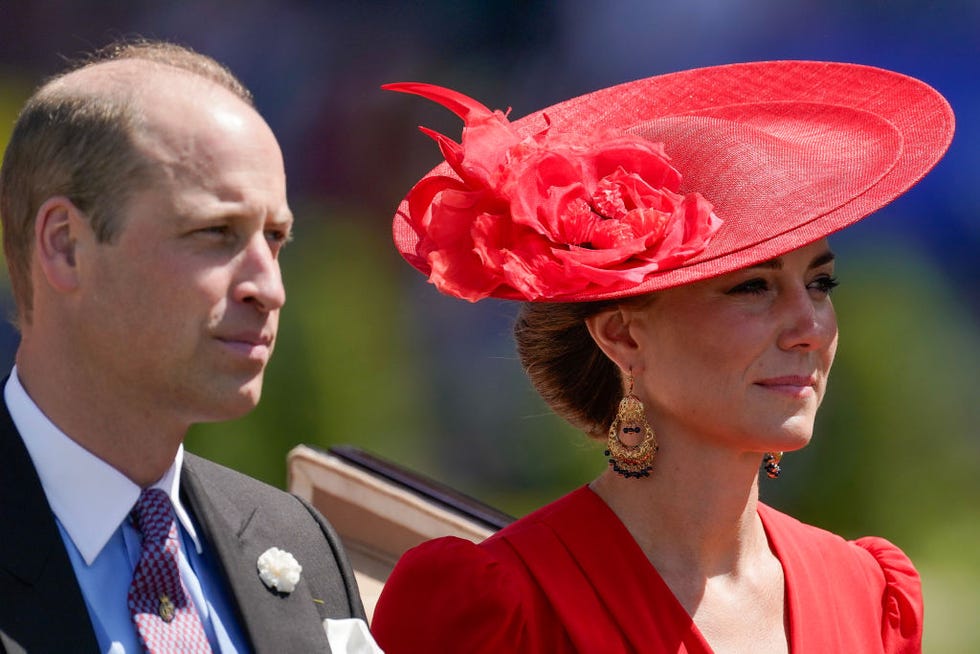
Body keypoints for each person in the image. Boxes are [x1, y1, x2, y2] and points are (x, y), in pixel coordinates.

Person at [371, 61, 954, 653]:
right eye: (752, 287)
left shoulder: (863, 588)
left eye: (821, 285)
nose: (809, 327)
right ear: (622, 336)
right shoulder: (503, 603)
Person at [0, 40, 380, 653]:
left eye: (275, 238)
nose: (269, 287)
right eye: (215, 233)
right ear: (66, 245)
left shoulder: (297, 542)